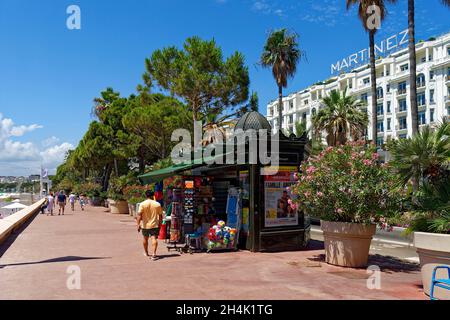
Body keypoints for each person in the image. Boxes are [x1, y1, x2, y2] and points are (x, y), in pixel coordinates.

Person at [136, 190, 163, 261]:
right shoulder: (157, 204)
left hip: (145, 225)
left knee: (145, 238)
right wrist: (160, 224)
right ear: (152, 195)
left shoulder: (142, 204)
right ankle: (154, 254)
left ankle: (146, 252)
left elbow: (139, 215)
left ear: (146, 195)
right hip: (154, 225)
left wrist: (138, 224)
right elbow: (160, 216)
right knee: (154, 238)